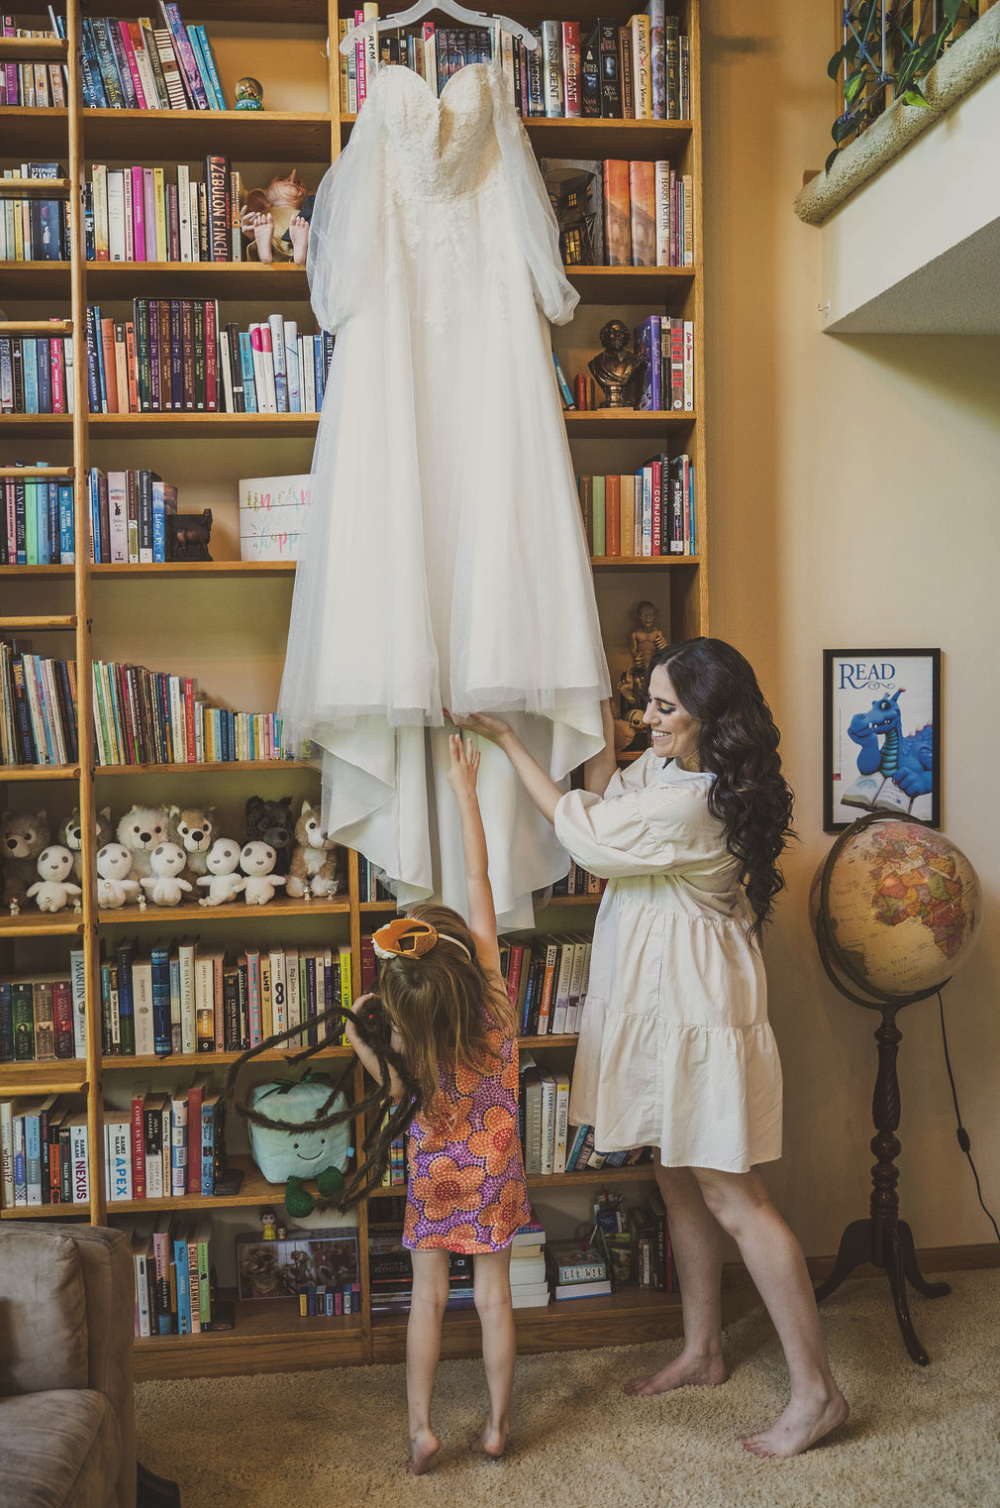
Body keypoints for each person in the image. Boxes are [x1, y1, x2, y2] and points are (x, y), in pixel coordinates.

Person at [456, 638, 849, 1459]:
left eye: (664, 707)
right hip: (655, 994)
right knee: (676, 1179)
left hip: (696, 1002)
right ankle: (704, 1349)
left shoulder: (699, 796)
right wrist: (601, 720)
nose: (650, 717)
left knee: (737, 1197)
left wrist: (507, 741)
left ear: (710, 718)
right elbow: (606, 791)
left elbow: (589, 839)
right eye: (649, 702)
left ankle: (818, 1395)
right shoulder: (666, 772)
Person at [345, 733, 530, 1475]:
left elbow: (390, 1090)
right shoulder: (493, 994)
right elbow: (481, 874)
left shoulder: (411, 1042)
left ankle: (422, 1428)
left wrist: (363, 1035)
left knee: (426, 1301)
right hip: (496, 1172)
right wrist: (464, 790)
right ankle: (494, 1426)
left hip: (433, 1177)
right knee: (493, 1300)